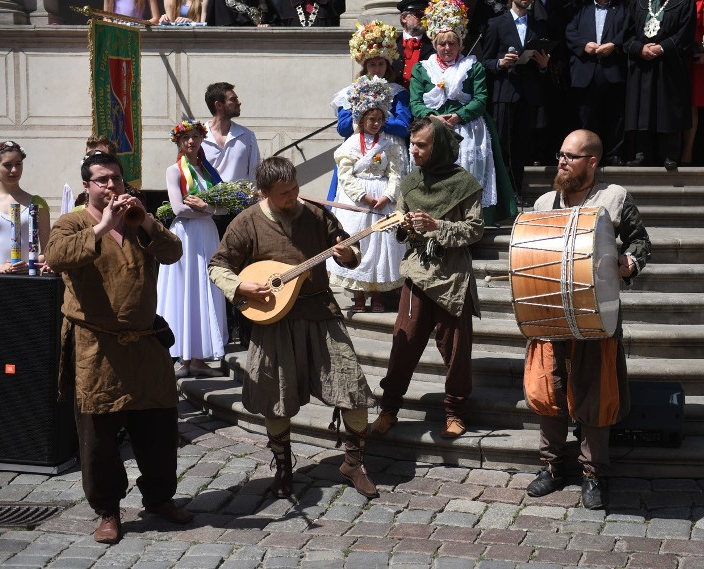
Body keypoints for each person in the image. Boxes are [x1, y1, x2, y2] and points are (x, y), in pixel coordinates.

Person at [208, 156, 378, 499]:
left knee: (352, 388)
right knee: (275, 397)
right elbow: (218, 265)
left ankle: (353, 463)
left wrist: (347, 255)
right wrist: (241, 287)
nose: (293, 196)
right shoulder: (247, 223)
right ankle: (284, 468)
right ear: (264, 193)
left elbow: (350, 249)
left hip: (320, 309)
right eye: (285, 193)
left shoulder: (315, 215)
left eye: (296, 188)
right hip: (274, 319)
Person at [45, 152, 193, 544]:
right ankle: (108, 510)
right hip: (97, 346)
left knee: (158, 426)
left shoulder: (139, 221)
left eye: (115, 179)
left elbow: (173, 252)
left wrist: (145, 220)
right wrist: (101, 228)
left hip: (145, 344)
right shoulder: (71, 222)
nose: (111, 186)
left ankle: (160, 498)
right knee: (99, 435)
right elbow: (56, 257)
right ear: (87, 186)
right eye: (101, 180)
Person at [525, 129, 650, 509]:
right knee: (549, 389)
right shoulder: (544, 201)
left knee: (595, 395)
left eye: (571, 156)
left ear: (592, 161)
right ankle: (550, 466)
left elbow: (641, 242)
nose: (562, 161)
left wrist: (631, 262)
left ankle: (593, 473)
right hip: (549, 311)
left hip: (597, 314)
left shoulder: (615, 198)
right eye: (560, 154)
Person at [371, 117, 484, 439]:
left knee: (457, 351)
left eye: (422, 145)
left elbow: (475, 230)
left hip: (452, 279)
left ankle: (455, 411)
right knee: (403, 345)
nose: (414, 150)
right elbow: (402, 235)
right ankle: (389, 409)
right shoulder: (409, 184)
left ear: (440, 147)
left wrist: (437, 227)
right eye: (413, 144)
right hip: (417, 276)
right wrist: (404, 227)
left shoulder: (465, 184)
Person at [410, 0, 517, 224]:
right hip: (432, 128)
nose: (447, 49)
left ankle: (472, 220)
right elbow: (415, 103)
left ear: (460, 43)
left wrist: (459, 115)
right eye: (442, 44)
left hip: (468, 127)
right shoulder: (422, 69)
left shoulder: (473, 67)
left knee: (468, 170)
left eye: (452, 44)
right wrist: (433, 118)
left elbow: (480, 99)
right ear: (435, 44)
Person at [326, 76, 405, 313]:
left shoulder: (388, 145)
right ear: (361, 119)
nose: (376, 124)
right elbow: (345, 174)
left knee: (380, 245)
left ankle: (377, 295)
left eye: (380, 119)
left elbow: (395, 173)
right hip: (358, 201)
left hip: (382, 201)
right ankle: (358, 295)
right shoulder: (350, 144)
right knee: (358, 242)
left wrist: (389, 196)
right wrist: (363, 196)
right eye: (372, 119)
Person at [157, 120, 228, 378]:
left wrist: (206, 208)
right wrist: (206, 209)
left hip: (206, 233)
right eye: (186, 137)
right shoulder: (174, 170)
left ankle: (198, 359)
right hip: (186, 235)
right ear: (178, 142)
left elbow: (224, 206)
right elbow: (178, 209)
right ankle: (183, 359)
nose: (191, 142)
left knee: (204, 288)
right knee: (185, 289)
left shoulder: (209, 171)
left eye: (196, 136)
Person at [326, 20, 411, 204]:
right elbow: (343, 127)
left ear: (387, 65)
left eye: (381, 64)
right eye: (372, 64)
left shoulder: (397, 92)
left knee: (392, 197)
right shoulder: (350, 92)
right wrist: (362, 118)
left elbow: (404, 127)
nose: (377, 69)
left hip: (389, 148)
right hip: (359, 148)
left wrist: (379, 120)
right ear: (365, 66)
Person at [481, 0, 552, 195]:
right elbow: (484, 61)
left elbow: (543, 66)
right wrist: (500, 63)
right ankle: (499, 193)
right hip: (504, 92)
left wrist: (544, 65)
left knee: (522, 145)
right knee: (502, 143)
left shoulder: (539, 25)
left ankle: (516, 191)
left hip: (527, 94)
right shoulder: (496, 24)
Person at [622, 0, 694, 169]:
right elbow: (626, 35)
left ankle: (670, 154)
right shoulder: (637, 3)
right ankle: (643, 153)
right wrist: (639, 49)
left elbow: (685, 34)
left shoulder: (684, 3)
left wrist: (662, 48)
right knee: (643, 109)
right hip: (643, 65)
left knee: (667, 109)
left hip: (669, 65)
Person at [565, 0, 628, 166]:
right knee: (586, 115)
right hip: (586, 69)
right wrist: (584, 45)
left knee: (615, 115)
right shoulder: (580, 8)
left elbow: (629, 30)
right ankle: (587, 155)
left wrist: (614, 45)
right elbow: (569, 31)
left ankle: (613, 154)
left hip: (612, 68)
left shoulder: (622, 8)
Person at [0, 140, 50, 274]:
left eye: (18, 164)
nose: (14, 170)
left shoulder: (37, 203)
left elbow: (48, 250)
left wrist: (30, 264)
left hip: (28, 282)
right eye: (7, 165)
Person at [202, 83, 261, 182]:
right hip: (204, 197)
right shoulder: (197, 137)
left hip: (242, 197)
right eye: (233, 99)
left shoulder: (247, 136)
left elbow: (255, 175)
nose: (239, 102)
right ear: (219, 105)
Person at [680, 0, 704, 165]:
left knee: (692, 104)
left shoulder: (701, 2)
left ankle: (687, 151)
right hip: (674, 53)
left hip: (695, 56)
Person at [394, 0, 436, 89]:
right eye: (419, 15)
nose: (423, 20)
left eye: (426, 16)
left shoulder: (434, 46)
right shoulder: (391, 44)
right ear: (404, 18)